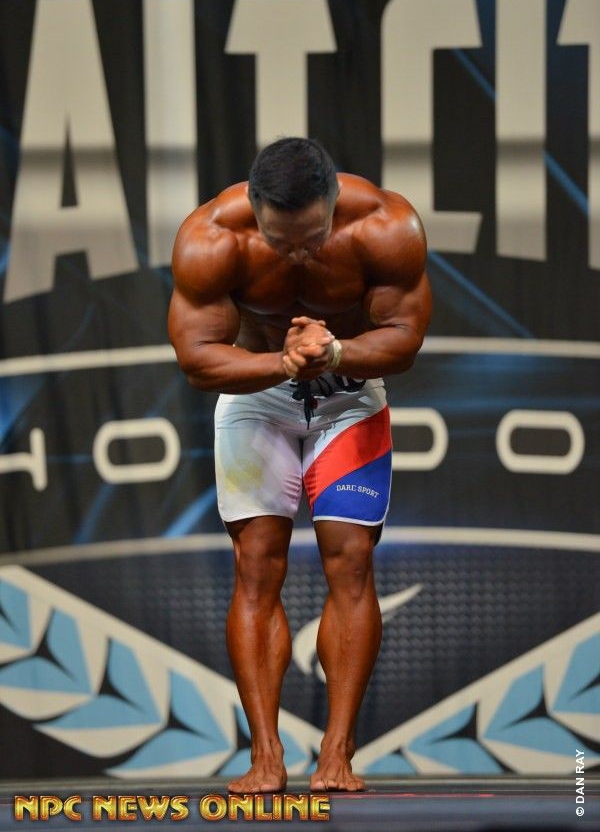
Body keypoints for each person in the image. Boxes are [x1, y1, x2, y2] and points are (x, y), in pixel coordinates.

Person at [168, 137, 432, 793]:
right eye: (280, 240)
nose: (297, 254)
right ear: (255, 210)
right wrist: (282, 364)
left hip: (349, 398)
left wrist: (334, 353)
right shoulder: (210, 239)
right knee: (256, 566)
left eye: (311, 239)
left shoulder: (386, 226)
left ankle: (337, 752)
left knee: (352, 561)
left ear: (333, 204)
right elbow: (198, 359)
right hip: (256, 398)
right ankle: (265, 755)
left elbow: (404, 341)